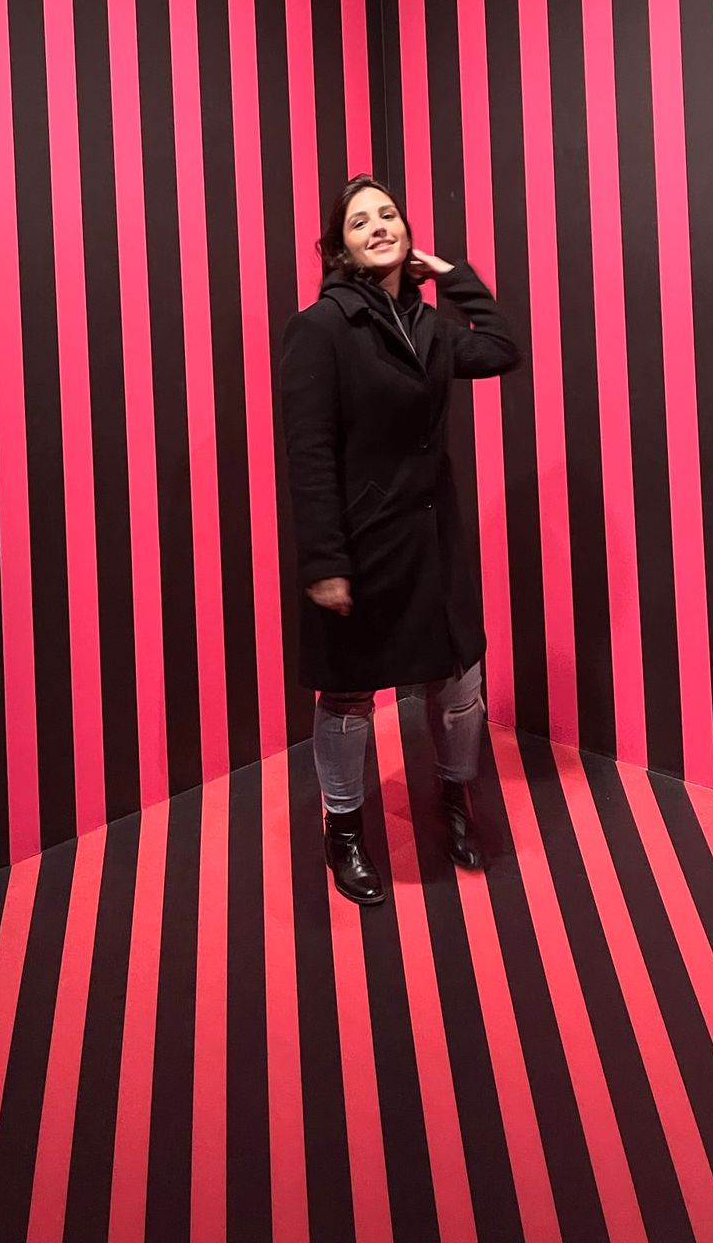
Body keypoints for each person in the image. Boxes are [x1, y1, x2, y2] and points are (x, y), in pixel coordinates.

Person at [280, 176, 521, 905]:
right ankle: (344, 830)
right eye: (361, 221)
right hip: (363, 544)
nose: (379, 226)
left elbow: (502, 348)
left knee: (459, 683)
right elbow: (310, 455)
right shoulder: (321, 328)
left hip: (433, 542)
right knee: (348, 695)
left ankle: (455, 801)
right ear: (340, 247)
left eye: (388, 215)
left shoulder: (431, 326)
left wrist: (451, 274)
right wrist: (326, 561)